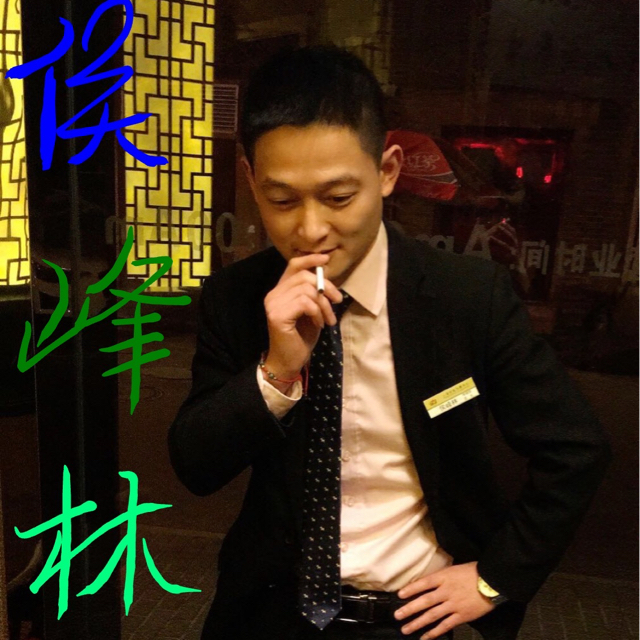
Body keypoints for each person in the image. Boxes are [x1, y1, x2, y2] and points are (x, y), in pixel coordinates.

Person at [168, 46, 610, 640]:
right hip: (270, 615)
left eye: (338, 197)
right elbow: (195, 466)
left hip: (411, 619)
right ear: (250, 179)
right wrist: (276, 371)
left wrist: (496, 576)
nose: (310, 229)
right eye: (281, 199)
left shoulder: (465, 296)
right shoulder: (239, 296)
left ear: (387, 171)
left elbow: (576, 449)